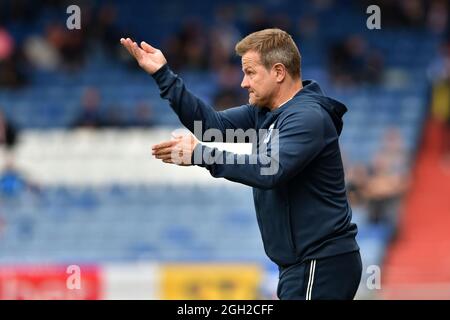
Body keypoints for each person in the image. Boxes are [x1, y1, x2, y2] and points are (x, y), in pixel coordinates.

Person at [120, 28, 362, 300]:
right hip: (301, 265)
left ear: (279, 72)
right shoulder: (266, 114)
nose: (243, 83)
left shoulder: (307, 117)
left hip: (321, 262)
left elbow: (269, 169)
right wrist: (163, 75)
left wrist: (200, 154)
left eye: (250, 72)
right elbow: (210, 126)